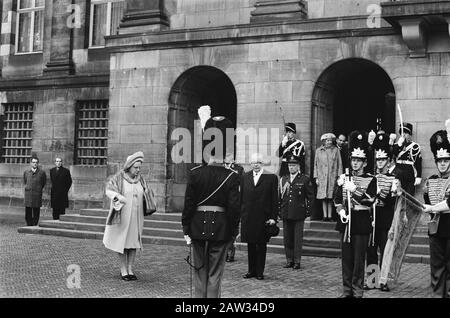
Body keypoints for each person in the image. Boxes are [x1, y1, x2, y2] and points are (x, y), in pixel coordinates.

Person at [182, 113, 240, 298]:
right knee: (215, 273)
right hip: (222, 227)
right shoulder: (231, 175)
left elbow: (189, 204)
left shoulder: (195, 173)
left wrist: (185, 228)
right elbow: (234, 209)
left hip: (197, 227)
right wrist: (233, 231)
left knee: (199, 271)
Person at [334, 131, 377, 298]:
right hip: (346, 221)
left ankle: (357, 291)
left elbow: (370, 200)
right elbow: (337, 199)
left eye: (359, 160)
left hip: (361, 221)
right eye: (353, 160)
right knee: (346, 259)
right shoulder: (343, 177)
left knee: (359, 260)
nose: (355, 163)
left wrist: (355, 190)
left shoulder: (371, 179)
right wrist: (341, 211)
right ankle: (347, 291)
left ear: (365, 162)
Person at [103, 151, 156, 281]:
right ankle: (123, 269)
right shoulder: (118, 178)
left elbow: (147, 192)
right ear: (129, 166)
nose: (138, 170)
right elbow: (109, 190)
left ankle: (130, 269)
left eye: (139, 168)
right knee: (122, 242)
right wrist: (118, 197)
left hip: (137, 217)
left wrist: (147, 194)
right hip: (122, 216)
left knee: (133, 243)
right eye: (136, 167)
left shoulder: (141, 179)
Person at [365, 131, 397, 292]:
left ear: (389, 161)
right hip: (372, 217)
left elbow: (393, 201)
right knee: (371, 249)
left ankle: (383, 281)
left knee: (385, 250)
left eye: (383, 159)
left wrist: (381, 194)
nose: (380, 162)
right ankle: (372, 280)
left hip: (385, 218)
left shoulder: (393, 179)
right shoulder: (371, 178)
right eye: (378, 159)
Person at [241, 153, 278, 280]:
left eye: (258, 162)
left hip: (264, 218)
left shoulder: (271, 177)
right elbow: (241, 199)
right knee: (250, 244)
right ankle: (251, 270)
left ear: (262, 164)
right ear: (250, 164)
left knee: (261, 245)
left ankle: (260, 271)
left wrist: (274, 217)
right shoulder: (245, 177)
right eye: (253, 162)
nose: (255, 164)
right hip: (249, 217)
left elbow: (274, 199)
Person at [422, 126, 450, 298]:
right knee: (437, 267)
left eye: (446, 160)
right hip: (436, 229)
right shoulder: (430, 181)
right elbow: (427, 202)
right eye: (440, 161)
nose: (443, 164)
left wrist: (432, 208)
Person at [280, 155, 315, 269]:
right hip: (286, 212)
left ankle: (297, 261)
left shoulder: (304, 179)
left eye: (293, 165)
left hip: (299, 212)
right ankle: (289, 260)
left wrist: (308, 211)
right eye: (290, 165)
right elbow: (280, 197)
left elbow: (311, 196)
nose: (291, 167)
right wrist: (279, 210)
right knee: (287, 238)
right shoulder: (283, 179)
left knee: (297, 238)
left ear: (298, 166)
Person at [314, 133, 343, 221]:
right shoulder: (318, 151)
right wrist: (316, 177)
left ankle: (330, 216)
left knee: (330, 197)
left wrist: (339, 176)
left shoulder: (336, 150)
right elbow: (315, 165)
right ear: (323, 141)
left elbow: (339, 164)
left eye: (330, 140)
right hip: (322, 177)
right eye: (327, 140)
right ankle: (324, 216)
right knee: (323, 197)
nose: (329, 142)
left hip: (332, 176)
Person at [223, 153, 244, 263]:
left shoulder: (238, 169)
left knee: (232, 230)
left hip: (234, 203)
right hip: (222, 204)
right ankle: (224, 253)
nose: (227, 161)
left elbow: (241, 182)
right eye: (226, 159)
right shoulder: (220, 169)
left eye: (229, 159)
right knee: (223, 230)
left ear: (233, 160)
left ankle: (230, 253)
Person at [392, 122, 422, 195]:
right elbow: (393, 154)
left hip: (409, 172)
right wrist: (399, 145)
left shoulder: (415, 146)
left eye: (406, 133)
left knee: (409, 196)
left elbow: (418, 163)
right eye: (402, 133)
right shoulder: (396, 145)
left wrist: (418, 176)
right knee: (398, 195)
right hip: (398, 171)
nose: (404, 135)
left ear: (410, 134)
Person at [23, 157, 47, 226]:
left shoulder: (42, 173)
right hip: (28, 194)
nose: (35, 164)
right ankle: (29, 224)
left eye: (36, 162)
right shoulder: (26, 172)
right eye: (33, 162)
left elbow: (43, 182)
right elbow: (25, 181)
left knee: (36, 210)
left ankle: (34, 224)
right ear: (31, 163)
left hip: (37, 194)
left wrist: (38, 188)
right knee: (28, 210)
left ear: (38, 163)